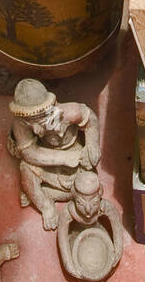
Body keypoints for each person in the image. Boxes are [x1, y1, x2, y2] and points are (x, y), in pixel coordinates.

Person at [7, 78, 101, 230]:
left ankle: (39, 193)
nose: (36, 129)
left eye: (39, 119)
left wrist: (92, 146)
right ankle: (46, 206)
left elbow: (91, 121)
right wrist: (64, 158)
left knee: (89, 177)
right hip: (49, 160)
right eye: (30, 121)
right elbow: (30, 154)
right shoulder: (20, 124)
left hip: (75, 159)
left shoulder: (68, 112)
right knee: (26, 168)